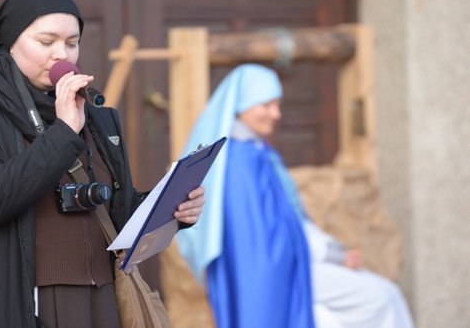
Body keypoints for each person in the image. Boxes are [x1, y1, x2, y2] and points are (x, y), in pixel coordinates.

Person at [0, 0, 205, 328]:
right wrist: (63, 133)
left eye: (72, 43)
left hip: (100, 298)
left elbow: (113, 210)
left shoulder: (95, 115)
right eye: (46, 42)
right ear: (10, 43)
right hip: (19, 300)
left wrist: (172, 210)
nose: (63, 55)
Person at [175, 64, 414, 328]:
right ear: (242, 104)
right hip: (268, 273)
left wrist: (332, 250)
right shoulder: (238, 161)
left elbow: (286, 219)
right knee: (379, 298)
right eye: (265, 105)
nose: (276, 114)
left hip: (283, 262)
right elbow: (264, 236)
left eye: (278, 105)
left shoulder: (257, 152)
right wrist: (330, 255)